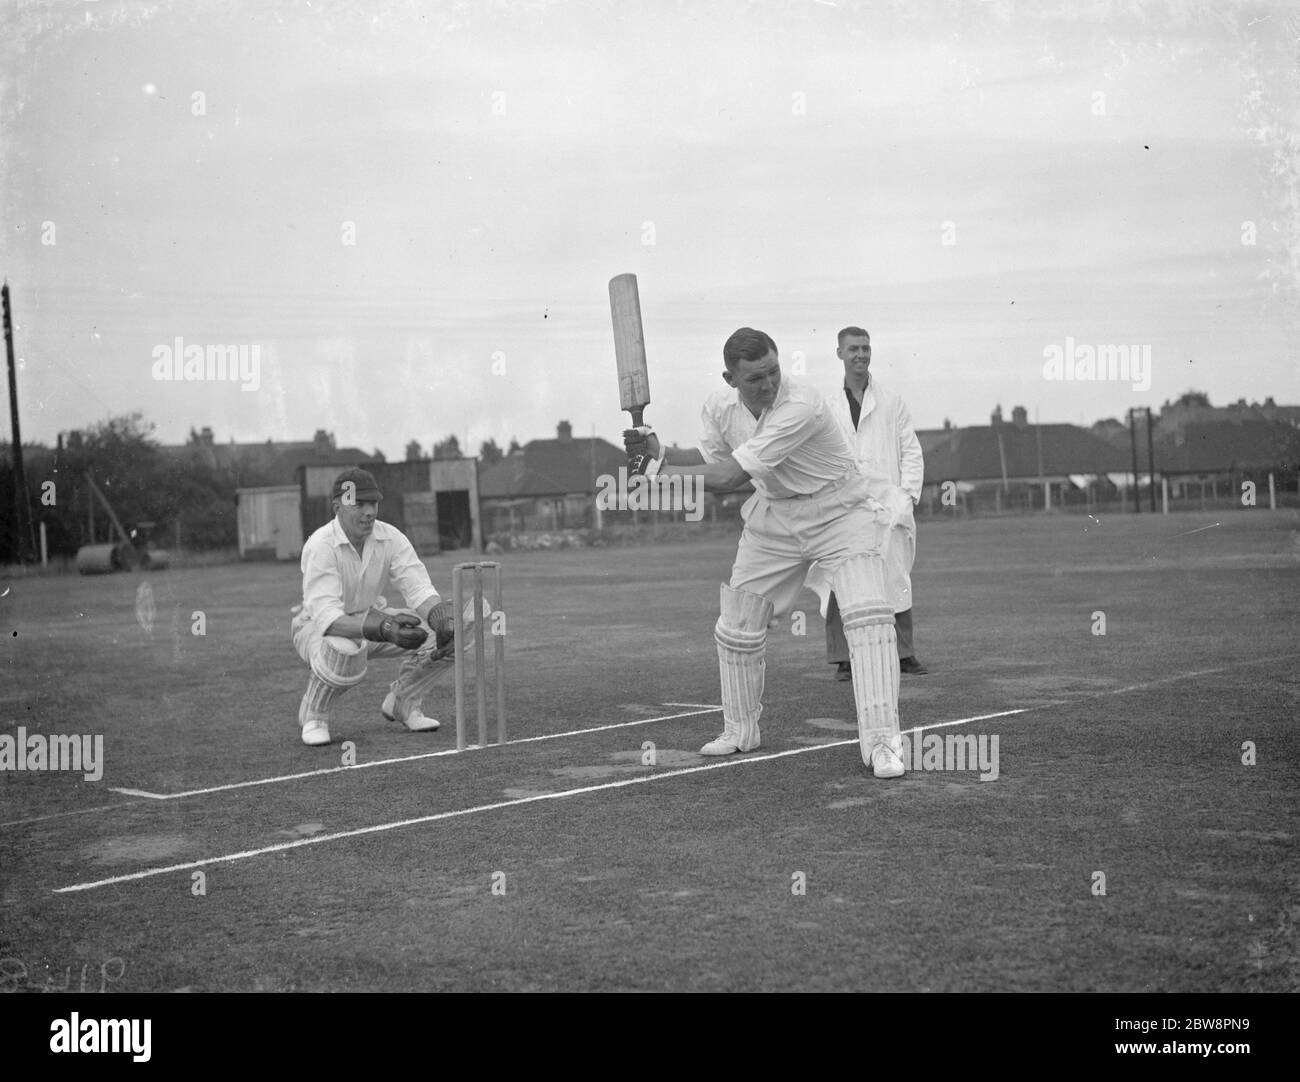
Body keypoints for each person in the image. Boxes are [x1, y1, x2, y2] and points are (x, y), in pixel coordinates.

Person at [625, 328, 906, 778]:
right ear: (730, 378)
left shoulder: (800, 404)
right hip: (775, 514)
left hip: (841, 511)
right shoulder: (720, 407)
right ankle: (740, 731)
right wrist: (656, 451)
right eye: (755, 378)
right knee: (736, 624)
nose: (768, 384)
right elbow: (708, 457)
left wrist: (655, 476)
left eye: (773, 371)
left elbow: (729, 477)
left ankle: (882, 744)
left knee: (868, 618)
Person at [290, 467, 461, 747]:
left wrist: (440, 617)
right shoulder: (321, 544)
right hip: (315, 629)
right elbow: (328, 618)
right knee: (344, 650)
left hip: (373, 623)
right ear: (338, 506)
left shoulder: (390, 537)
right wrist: (383, 627)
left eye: (373, 503)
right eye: (359, 504)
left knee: (455, 631)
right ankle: (314, 715)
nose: (369, 512)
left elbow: (417, 587)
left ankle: (404, 702)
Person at [824, 326, 928, 679]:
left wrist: (907, 496)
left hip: (888, 504)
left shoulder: (891, 400)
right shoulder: (828, 406)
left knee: (895, 576)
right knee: (842, 579)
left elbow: (911, 451)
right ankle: (844, 658)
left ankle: (903, 654)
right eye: (853, 348)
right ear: (839, 353)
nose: (861, 355)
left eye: (866, 348)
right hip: (845, 506)